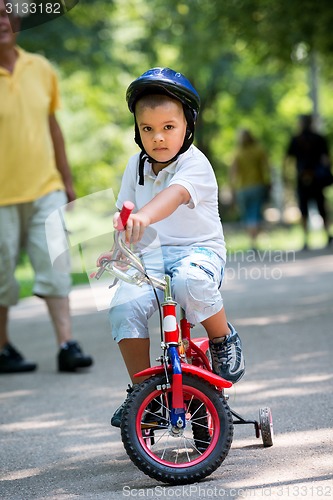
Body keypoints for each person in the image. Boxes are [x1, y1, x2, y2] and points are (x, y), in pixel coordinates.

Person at [98, 68, 245, 428]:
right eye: (147, 129)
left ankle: (223, 338)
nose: (158, 138)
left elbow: (174, 196)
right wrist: (119, 244)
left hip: (199, 252)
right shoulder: (134, 166)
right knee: (122, 305)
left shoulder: (195, 163)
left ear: (188, 126)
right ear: (137, 130)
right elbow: (126, 213)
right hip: (150, 256)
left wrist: (144, 217)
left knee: (189, 283)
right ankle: (141, 392)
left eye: (168, 127)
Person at [0, 0, 93, 373]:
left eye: (6, 13)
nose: (2, 21)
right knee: (2, 273)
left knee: (56, 263)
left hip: (45, 187)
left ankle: (67, 344)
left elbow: (53, 127)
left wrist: (67, 180)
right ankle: (3, 348)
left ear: (18, 20)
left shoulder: (40, 68)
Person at [283, 114, 333, 250]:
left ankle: (306, 239)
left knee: (304, 209)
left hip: (302, 178)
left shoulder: (296, 139)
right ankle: (327, 235)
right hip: (317, 179)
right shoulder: (319, 138)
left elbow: (287, 159)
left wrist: (286, 177)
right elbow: (326, 159)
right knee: (321, 207)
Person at [230, 128, 270, 250]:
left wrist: (232, 189)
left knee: (247, 215)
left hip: (242, 188)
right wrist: (268, 183)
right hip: (257, 186)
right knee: (255, 214)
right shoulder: (259, 150)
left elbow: (233, 173)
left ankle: (251, 242)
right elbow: (266, 168)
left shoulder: (237, 153)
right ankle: (253, 242)